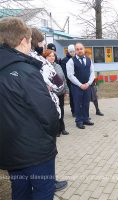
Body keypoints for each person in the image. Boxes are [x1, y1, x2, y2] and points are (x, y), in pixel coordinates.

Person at [0, 17, 58, 199]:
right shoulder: (25, 71)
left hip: (9, 148)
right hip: (35, 151)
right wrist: (53, 133)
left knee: (19, 191)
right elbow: (47, 113)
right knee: (43, 191)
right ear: (23, 41)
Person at [29, 28, 68, 192]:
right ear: (38, 43)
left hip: (26, 116)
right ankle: (49, 183)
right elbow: (58, 84)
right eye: (43, 43)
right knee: (48, 152)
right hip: (44, 112)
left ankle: (35, 183)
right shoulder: (40, 60)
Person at [67, 42, 95, 129]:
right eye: (77, 49)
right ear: (75, 51)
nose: (80, 51)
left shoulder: (88, 60)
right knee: (78, 104)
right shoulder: (71, 61)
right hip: (76, 87)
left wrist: (88, 83)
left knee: (86, 103)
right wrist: (80, 85)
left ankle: (86, 119)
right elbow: (70, 75)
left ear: (83, 49)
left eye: (81, 49)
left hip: (87, 86)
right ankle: (78, 121)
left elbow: (92, 73)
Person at [43, 49, 70, 137]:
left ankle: (62, 128)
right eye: (49, 56)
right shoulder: (43, 68)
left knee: (61, 111)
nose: (52, 58)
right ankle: (56, 130)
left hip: (60, 93)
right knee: (54, 112)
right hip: (51, 94)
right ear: (45, 57)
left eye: (53, 56)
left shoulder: (58, 66)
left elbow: (62, 79)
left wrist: (66, 90)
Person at [85, 49, 104, 116]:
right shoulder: (85, 61)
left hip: (91, 82)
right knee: (86, 99)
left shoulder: (90, 61)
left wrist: (93, 80)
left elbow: (92, 72)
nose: (90, 55)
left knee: (94, 97)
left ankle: (97, 110)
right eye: (89, 54)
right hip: (86, 82)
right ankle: (86, 113)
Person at [61, 44, 76, 117]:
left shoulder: (77, 58)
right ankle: (73, 111)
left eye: (73, 51)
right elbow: (63, 71)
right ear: (68, 52)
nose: (72, 53)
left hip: (79, 81)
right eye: (71, 52)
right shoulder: (65, 60)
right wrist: (70, 77)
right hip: (70, 81)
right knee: (73, 97)